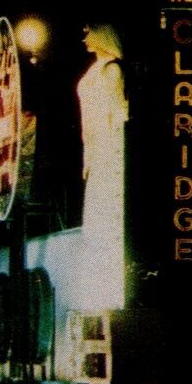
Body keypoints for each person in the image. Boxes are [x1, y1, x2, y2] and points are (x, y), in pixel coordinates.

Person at [76, 24, 129, 309]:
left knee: (106, 213)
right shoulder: (95, 70)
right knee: (96, 215)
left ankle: (109, 289)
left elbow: (117, 112)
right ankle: (97, 289)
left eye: (89, 32)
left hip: (108, 147)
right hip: (96, 148)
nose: (85, 38)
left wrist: (111, 149)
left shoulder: (111, 70)